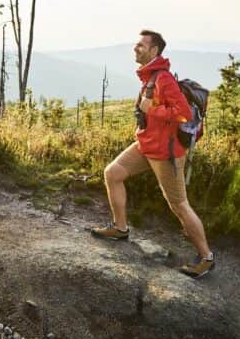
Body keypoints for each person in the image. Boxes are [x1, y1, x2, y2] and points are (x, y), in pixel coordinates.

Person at [90, 29, 215, 278]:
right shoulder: (149, 77)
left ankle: (206, 258)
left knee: (179, 205)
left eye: (141, 45)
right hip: (146, 145)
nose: (136, 48)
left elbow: (184, 114)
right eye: (136, 45)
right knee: (112, 173)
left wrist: (153, 110)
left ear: (154, 50)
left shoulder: (164, 79)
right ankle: (120, 228)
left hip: (166, 153)